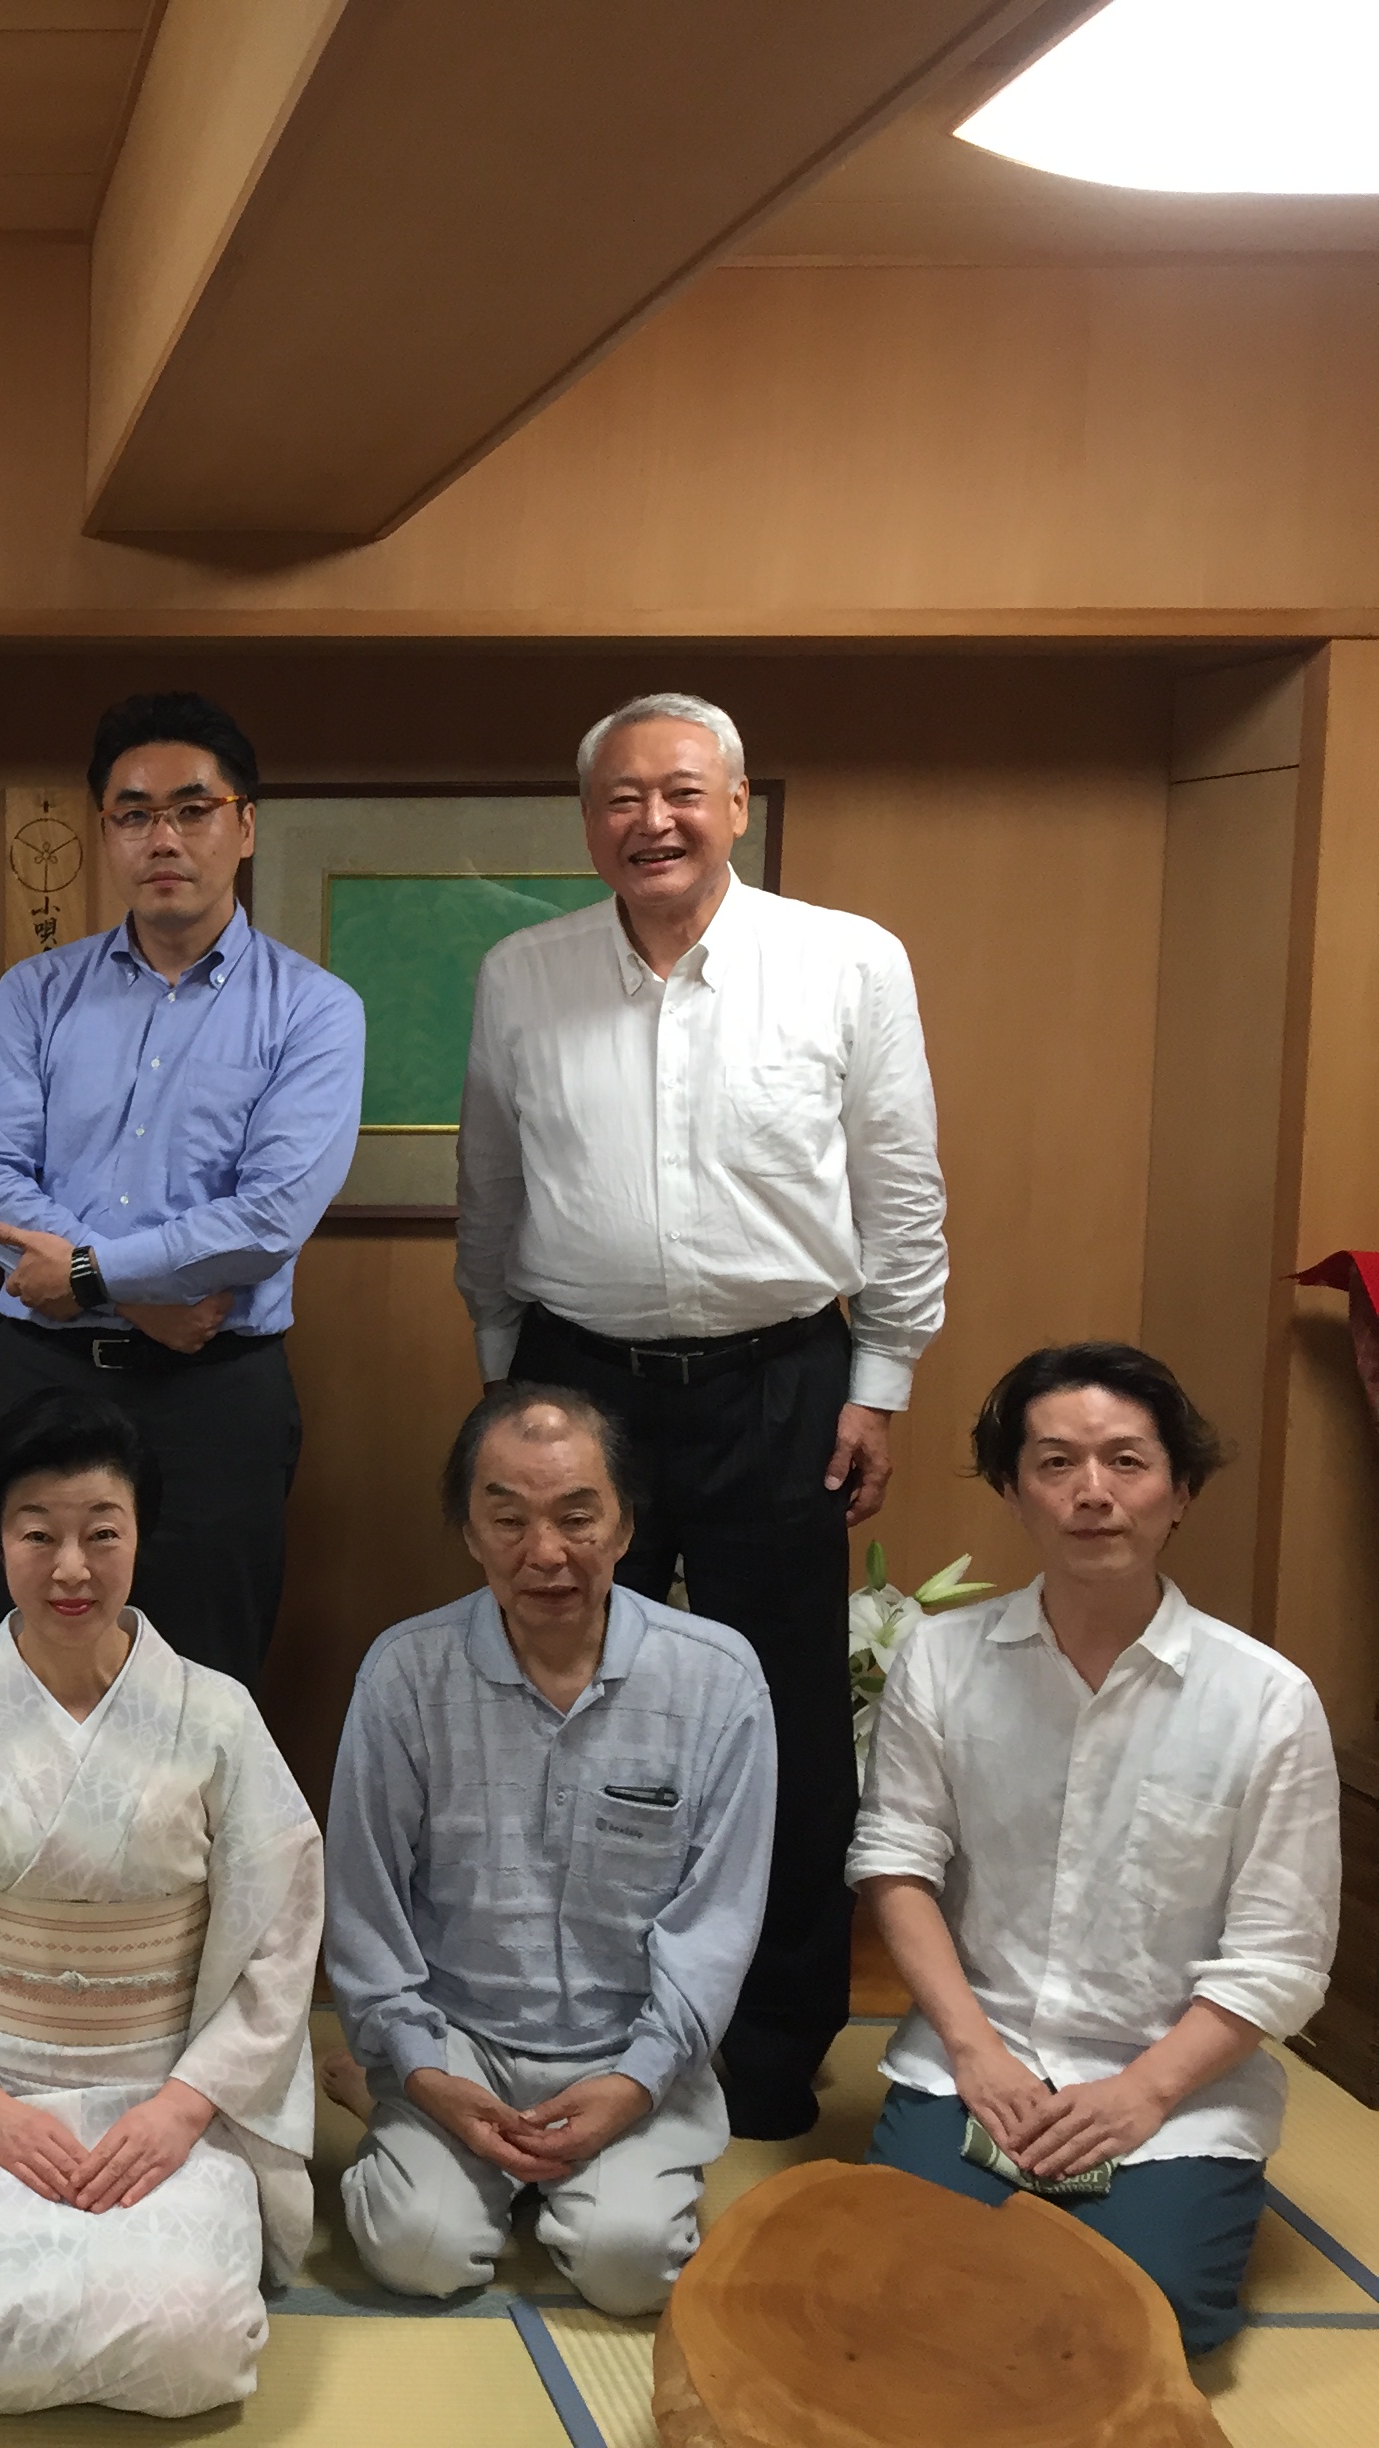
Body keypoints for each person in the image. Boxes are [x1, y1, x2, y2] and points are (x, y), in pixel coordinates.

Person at [454, 690, 945, 2139]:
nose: (652, 821)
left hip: (782, 1381)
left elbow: (900, 1183)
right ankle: (563, 2014)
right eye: (621, 798)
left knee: (782, 1715)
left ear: (735, 805)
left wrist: (881, 1381)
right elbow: (491, 1188)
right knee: (551, 1695)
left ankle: (774, 2051)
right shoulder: (523, 972)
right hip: (573, 1379)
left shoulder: (846, 960)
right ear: (587, 822)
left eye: (681, 792)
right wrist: (507, 1385)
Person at [0, 1392, 322, 2426]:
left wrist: (184, 2107)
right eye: (37, 1534)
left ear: (141, 1536)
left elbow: (279, 1930)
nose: (71, 1568)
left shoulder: (216, 1715)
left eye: (102, 1533)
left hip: (169, 2096)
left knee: (191, 2337)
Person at [852, 1343, 1338, 2357]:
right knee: (893, 2293)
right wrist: (976, 2052)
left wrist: (1141, 2093)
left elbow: (1281, 1957)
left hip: (1172, 2086)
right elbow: (897, 1863)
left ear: (1180, 1491)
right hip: (979, 2063)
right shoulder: (941, 1660)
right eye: (1056, 1463)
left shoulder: (1267, 1700)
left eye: (1126, 1461)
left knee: (1141, 2323)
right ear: (1013, 1490)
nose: (1092, 1492)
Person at [325, 1386, 776, 2318]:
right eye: (509, 1520)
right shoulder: (405, 1673)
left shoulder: (718, 1676)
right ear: (469, 1532)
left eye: (577, 1517)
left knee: (629, 2270)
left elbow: (718, 1922)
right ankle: (404, 2112)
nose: (545, 1553)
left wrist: (637, 2081)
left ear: (625, 1525)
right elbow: (364, 1903)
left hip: (627, 2044)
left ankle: (538, 2170)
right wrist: (422, 2070)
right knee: (418, 2253)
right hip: (458, 2038)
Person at [0, 692, 365, 1687]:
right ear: (105, 832)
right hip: (43, 1374)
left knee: (203, 1679)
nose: (163, 838)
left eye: (193, 809)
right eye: (134, 814)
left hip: (214, 1392)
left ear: (245, 824)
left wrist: (86, 1272)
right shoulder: (35, 993)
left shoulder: (314, 1010)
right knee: (16, 1673)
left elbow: (268, 1218)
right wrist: (129, 1294)